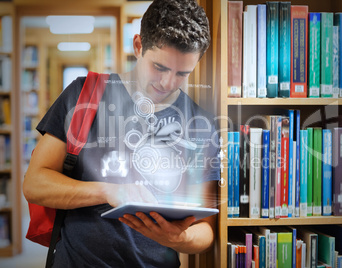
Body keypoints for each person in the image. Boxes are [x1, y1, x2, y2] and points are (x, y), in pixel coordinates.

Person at [23, 0, 220, 267]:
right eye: (159, 67)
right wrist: (108, 191)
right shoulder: (83, 95)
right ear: (138, 46)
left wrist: (178, 238)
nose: (167, 83)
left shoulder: (200, 124)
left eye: (182, 73)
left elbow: (207, 230)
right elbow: (34, 184)